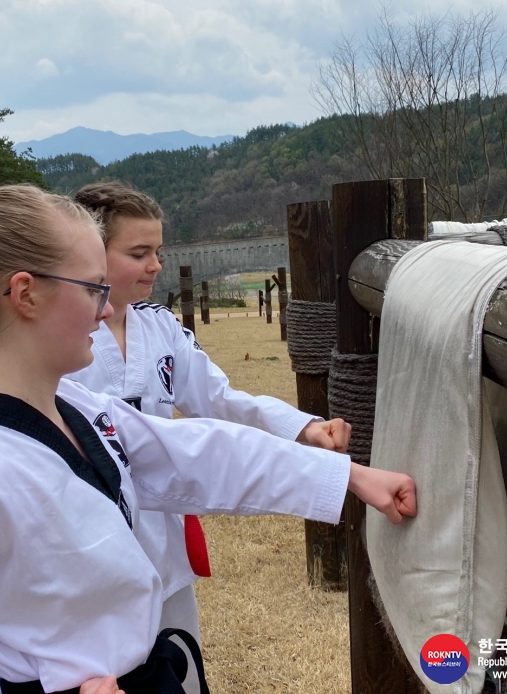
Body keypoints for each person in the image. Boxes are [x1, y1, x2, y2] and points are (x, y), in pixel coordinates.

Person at [0, 184, 416, 693]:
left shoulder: (82, 410)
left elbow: (199, 453)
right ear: (25, 293)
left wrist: (349, 476)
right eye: (92, 288)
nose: (107, 306)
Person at [68, 182, 352, 649]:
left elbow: (218, 399)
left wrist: (301, 427)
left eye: (158, 251)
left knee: (176, 663)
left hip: (160, 537)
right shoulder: (58, 337)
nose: (155, 265)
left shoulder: (160, 327)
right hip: (85, 541)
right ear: (91, 252)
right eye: (139, 253)